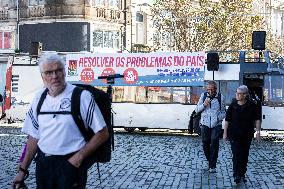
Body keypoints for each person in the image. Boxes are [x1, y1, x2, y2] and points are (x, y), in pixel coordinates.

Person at [12, 53, 109, 189]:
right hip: (44, 166)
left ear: (64, 71)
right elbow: (33, 137)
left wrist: (78, 158)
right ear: (42, 76)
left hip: (71, 164)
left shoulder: (82, 96)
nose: (54, 76)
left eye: (58, 70)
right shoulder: (39, 98)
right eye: (49, 72)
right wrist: (22, 171)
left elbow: (103, 133)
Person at [223, 85, 261, 184]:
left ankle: (242, 174)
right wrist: (225, 132)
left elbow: (257, 119)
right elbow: (227, 120)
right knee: (236, 154)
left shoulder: (252, 105)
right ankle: (236, 174)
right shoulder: (233, 105)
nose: (237, 95)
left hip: (247, 134)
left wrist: (257, 132)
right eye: (237, 93)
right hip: (234, 134)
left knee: (244, 155)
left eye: (239, 93)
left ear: (245, 95)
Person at [195, 81, 226, 173]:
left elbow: (224, 112)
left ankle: (213, 165)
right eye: (208, 89)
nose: (210, 91)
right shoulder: (203, 96)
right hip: (205, 124)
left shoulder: (221, 97)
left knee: (214, 142)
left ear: (216, 89)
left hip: (216, 124)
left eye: (212, 89)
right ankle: (210, 161)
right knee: (205, 143)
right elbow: (197, 109)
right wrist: (204, 104)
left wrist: (217, 118)